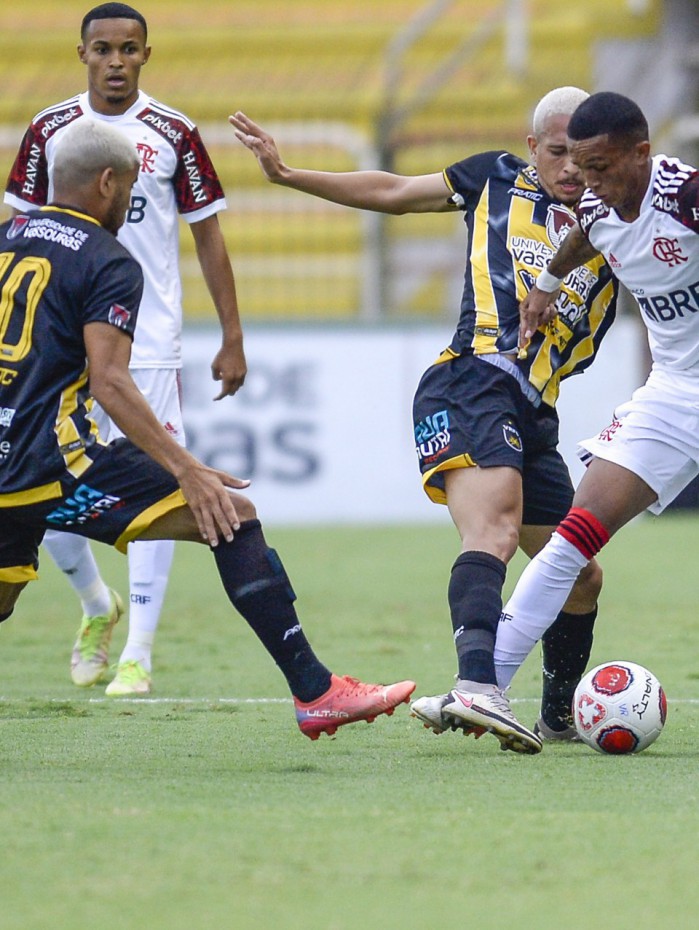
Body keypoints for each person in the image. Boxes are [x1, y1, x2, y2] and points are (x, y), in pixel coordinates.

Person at [230, 86, 618, 754]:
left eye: (583, 158)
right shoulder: (494, 178)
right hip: (471, 379)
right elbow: (391, 190)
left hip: (535, 408)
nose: (570, 169)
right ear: (533, 147)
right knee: (493, 529)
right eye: (557, 152)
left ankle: (558, 718)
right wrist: (290, 176)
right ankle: (476, 686)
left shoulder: (616, 225)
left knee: (580, 575)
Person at [0, 116, 415, 739]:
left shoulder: (6, 239)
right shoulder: (108, 260)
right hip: (53, 461)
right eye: (131, 190)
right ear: (108, 183)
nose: (129, 205)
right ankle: (317, 691)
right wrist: (187, 468)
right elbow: (110, 382)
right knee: (230, 514)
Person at [4, 3, 247, 697]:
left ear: (146, 55)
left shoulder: (174, 132)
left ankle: (138, 652)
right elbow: (17, 233)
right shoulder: (50, 130)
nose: (116, 61)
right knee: (40, 479)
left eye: (129, 49)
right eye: (103, 49)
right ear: (82, 54)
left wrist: (231, 335)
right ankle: (94, 604)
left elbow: (207, 236)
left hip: (149, 339)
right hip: (57, 340)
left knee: (160, 483)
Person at [493, 90, 699, 688]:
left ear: (642, 152)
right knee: (572, 538)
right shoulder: (596, 204)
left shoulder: (685, 198)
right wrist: (547, 283)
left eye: (601, 168)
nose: (590, 183)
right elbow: (585, 234)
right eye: (582, 169)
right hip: (677, 393)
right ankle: (483, 685)